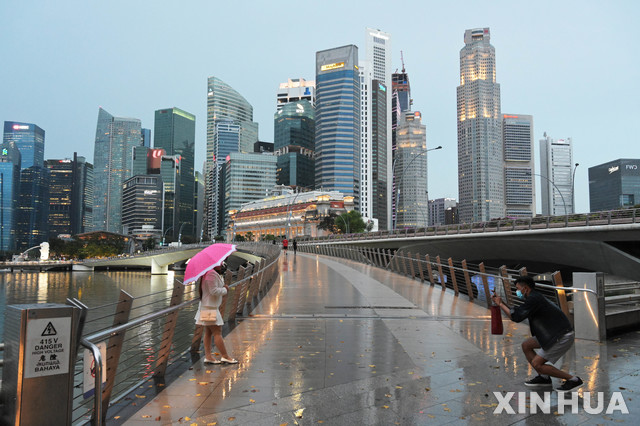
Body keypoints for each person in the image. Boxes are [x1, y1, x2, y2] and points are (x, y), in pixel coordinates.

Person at [492, 275, 583, 391]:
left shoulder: (534, 299)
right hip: (552, 333)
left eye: (518, 288)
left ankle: (573, 380)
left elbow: (516, 316)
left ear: (526, 288)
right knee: (526, 345)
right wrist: (501, 302)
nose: (517, 291)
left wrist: (500, 304)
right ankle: (544, 377)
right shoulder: (534, 297)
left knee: (537, 364)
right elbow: (517, 312)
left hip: (561, 336)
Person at [195, 262, 238, 364]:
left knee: (209, 332)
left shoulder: (209, 273)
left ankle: (208, 356)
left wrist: (222, 286)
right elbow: (213, 291)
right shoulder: (211, 274)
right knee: (217, 332)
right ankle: (225, 356)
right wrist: (225, 289)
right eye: (219, 263)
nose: (221, 264)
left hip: (208, 307)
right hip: (210, 308)